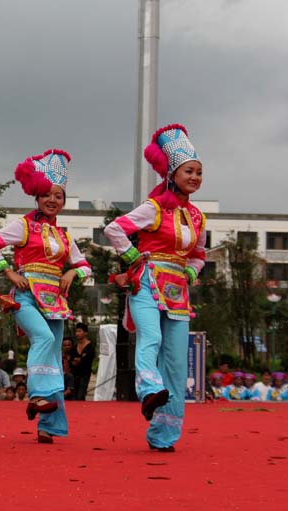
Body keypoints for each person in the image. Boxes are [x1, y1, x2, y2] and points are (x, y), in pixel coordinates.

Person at [105, 124, 206, 452]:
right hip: (147, 282)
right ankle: (149, 390)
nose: (194, 177)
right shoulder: (153, 208)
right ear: (172, 175)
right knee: (152, 339)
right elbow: (115, 229)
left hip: (177, 291)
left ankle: (164, 435)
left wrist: (190, 273)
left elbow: (199, 255)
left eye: (199, 172)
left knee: (176, 361)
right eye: (188, 171)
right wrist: (133, 255)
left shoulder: (197, 218)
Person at [0, 148, 92, 444]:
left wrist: (70, 273)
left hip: (55, 302)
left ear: (64, 201)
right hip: (26, 297)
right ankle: (39, 395)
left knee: (54, 358)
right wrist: (8, 271)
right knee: (43, 339)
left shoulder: (65, 237)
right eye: (46, 195)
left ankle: (49, 426)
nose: (52, 200)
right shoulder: (23, 225)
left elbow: (85, 267)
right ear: (37, 198)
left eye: (58, 196)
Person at [71, 323, 96, 401]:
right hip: (74, 374)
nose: (77, 333)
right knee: (74, 396)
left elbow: (88, 359)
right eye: (76, 331)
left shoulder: (90, 346)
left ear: (85, 333)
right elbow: (71, 359)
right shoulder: (75, 347)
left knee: (80, 396)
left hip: (84, 374)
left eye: (79, 331)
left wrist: (80, 361)